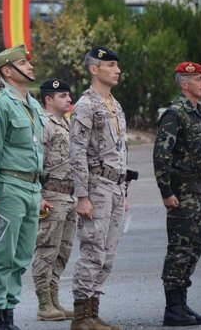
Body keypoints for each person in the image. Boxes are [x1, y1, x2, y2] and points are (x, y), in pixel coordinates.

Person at [0, 44, 44, 330]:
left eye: (28, 63)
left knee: (22, 256)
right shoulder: (0, 104)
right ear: (7, 71)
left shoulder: (34, 104)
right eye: (22, 63)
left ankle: (9, 310)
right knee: (3, 254)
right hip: (8, 188)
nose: (30, 67)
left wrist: (39, 190)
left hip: (31, 188)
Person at [69, 46, 126, 330]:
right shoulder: (86, 105)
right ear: (95, 69)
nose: (117, 70)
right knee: (92, 251)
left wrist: (123, 188)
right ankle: (81, 317)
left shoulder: (114, 105)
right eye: (111, 65)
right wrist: (82, 196)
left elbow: (120, 151)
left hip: (115, 187)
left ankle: (93, 312)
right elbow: (76, 153)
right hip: (95, 187)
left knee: (108, 254)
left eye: (117, 66)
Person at [153, 62, 201, 327]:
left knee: (194, 247)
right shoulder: (175, 113)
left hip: (199, 190)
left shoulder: (197, 113)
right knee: (179, 248)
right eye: (198, 79)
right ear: (184, 83)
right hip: (182, 191)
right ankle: (172, 308)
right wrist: (166, 191)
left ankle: (182, 303)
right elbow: (161, 156)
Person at [31, 78, 75, 321]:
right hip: (51, 194)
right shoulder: (43, 125)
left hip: (68, 195)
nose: (69, 99)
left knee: (62, 250)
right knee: (47, 249)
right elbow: (36, 162)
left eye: (68, 96)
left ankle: (54, 298)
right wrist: (38, 196)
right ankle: (43, 303)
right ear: (48, 99)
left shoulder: (66, 124)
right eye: (63, 96)